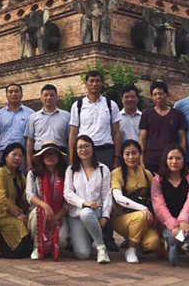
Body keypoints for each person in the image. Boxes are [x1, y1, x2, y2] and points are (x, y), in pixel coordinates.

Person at [68, 70, 121, 251]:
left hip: (105, 151)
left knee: (107, 193)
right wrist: (71, 156)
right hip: (83, 152)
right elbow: (73, 133)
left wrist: (116, 157)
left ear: (102, 83)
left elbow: (116, 132)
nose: (94, 84)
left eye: (98, 81)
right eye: (91, 81)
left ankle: (107, 236)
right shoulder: (78, 105)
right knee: (83, 189)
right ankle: (85, 233)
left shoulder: (110, 104)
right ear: (86, 83)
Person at [151, 144, 189, 269]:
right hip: (166, 219)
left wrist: (183, 220)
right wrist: (174, 225)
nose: (174, 162)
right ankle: (175, 244)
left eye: (178, 158)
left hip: (187, 217)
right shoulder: (158, 180)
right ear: (165, 160)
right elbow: (159, 206)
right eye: (170, 158)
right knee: (174, 254)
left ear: (184, 160)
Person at [64, 135, 112, 263]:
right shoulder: (71, 170)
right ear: (75, 150)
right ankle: (89, 235)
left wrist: (105, 216)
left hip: (95, 212)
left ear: (93, 148)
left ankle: (101, 247)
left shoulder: (103, 169)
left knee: (86, 213)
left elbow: (107, 195)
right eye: (80, 147)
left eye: (86, 146)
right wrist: (84, 203)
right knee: (82, 254)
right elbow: (67, 193)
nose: (83, 150)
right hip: (76, 215)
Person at [110, 140, 160, 263]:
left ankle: (137, 245)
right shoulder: (116, 173)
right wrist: (142, 208)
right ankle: (131, 249)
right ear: (122, 155)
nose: (131, 157)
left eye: (134, 153)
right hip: (121, 217)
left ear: (140, 154)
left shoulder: (147, 174)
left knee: (153, 242)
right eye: (127, 154)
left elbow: (155, 197)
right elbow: (118, 198)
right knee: (140, 216)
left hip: (143, 219)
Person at [0, 143, 30, 258]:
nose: (17, 158)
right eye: (14, 154)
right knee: (19, 224)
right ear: (5, 156)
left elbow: (28, 190)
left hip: (10, 214)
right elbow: (1, 198)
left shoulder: (19, 175)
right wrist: (18, 214)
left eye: (20, 156)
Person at [26, 141, 69, 261]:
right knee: (39, 212)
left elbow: (68, 202)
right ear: (42, 157)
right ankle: (37, 247)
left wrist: (55, 217)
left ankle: (52, 246)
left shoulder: (65, 175)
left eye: (53, 154)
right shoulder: (33, 174)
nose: (50, 156)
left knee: (62, 241)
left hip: (59, 213)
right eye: (47, 154)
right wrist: (45, 206)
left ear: (59, 157)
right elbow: (30, 195)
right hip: (39, 211)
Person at [139, 81, 187, 175]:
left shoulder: (177, 114)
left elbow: (182, 139)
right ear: (152, 97)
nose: (158, 97)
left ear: (167, 94)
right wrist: (141, 161)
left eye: (161, 93)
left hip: (171, 160)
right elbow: (142, 139)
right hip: (151, 160)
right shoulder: (146, 114)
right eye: (155, 94)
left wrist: (182, 159)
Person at [25, 84, 70, 172]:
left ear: (56, 97)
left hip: (60, 154)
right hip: (39, 155)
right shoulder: (33, 117)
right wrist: (29, 162)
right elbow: (30, 140)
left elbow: (70, 138)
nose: (48, 98)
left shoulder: (66, 115)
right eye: (45, 95)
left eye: (52, 95)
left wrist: (71, 158)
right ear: (41, 97)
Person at [0, 84, 34, 169]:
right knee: (2, 176)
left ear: (22, 94)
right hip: (2, 153)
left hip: (21, 154)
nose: (13, 94)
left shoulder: (30, 114)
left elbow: (30, 138)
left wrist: (29, 160)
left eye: (16, 91)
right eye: (10, 92)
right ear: (6, 95)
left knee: (20, 177)